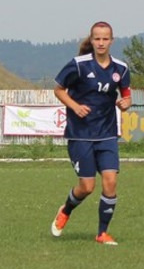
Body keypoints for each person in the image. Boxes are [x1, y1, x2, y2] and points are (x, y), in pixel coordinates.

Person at [50, 21, 132, 245]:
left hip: (107, 134)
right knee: (87, 187)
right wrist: (75, 106)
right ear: (92, 40)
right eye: (97, 38)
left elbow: (126, 95)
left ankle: (102, 233)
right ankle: (66, 210)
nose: (101, 43)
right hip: (80, 134)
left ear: (112, 41)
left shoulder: (121, 68)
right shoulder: (79, 65)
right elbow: (58, 89)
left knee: (110, 182)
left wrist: (126, 103)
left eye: (105, 39)